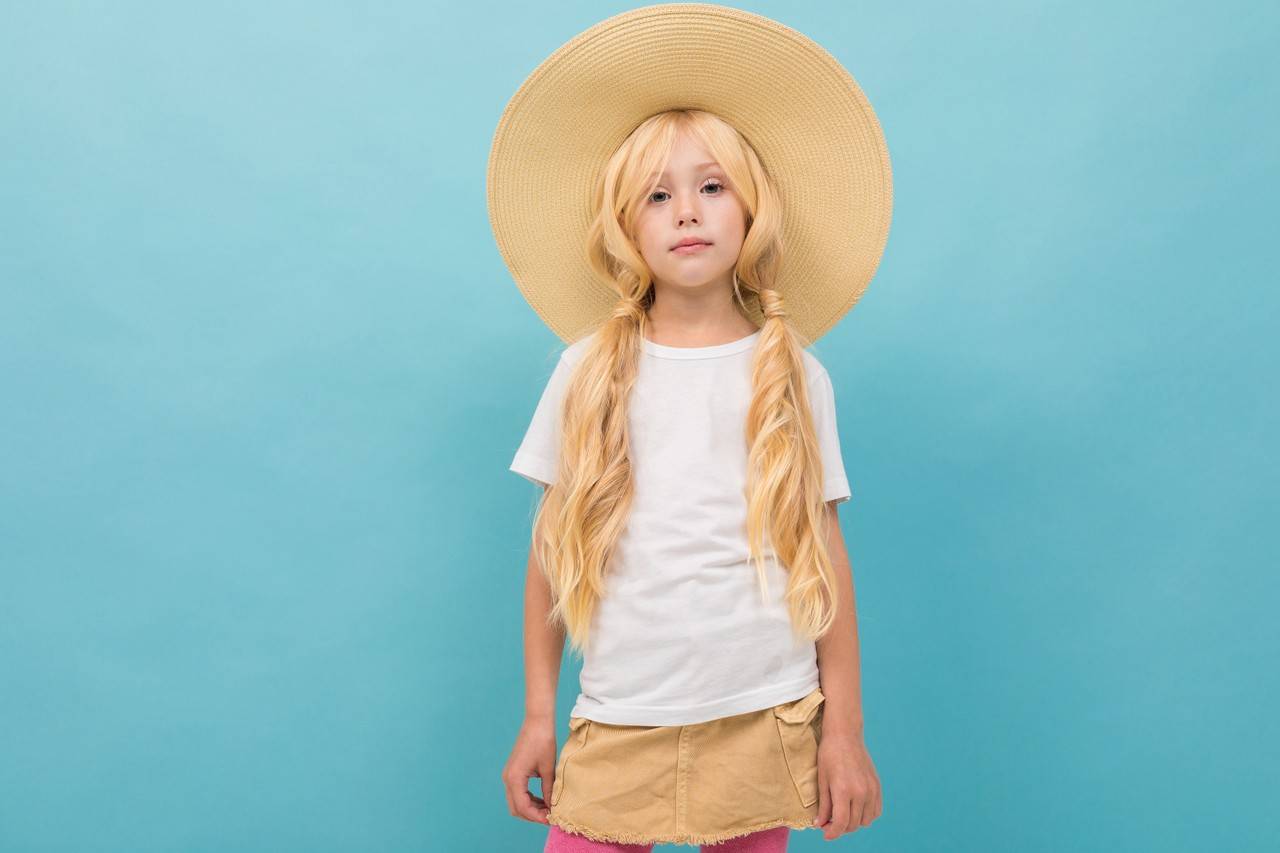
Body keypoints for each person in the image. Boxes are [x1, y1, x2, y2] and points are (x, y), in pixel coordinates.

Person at [488, 5, 894, 850]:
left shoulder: (792, 373)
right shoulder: (588, 369)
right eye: (658, 195)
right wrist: (538, 714)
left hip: (763, 715)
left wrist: (844, 732)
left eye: (711, 187)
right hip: (620, 712)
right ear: (626, 225)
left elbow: (825, 558)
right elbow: (549, 560)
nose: (687, 212)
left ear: (749, 210)